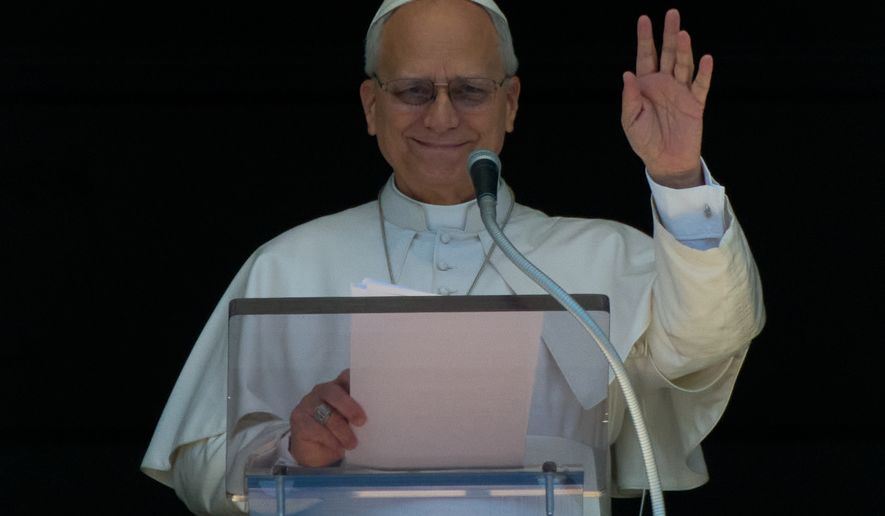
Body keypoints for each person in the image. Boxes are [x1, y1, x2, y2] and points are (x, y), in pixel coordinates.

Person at [141, 0, 765, 514]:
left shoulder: (595, 256)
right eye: (413, 90)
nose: (442, 116)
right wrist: (287, 448)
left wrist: (679, 176)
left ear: (511, 103)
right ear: (370, 105)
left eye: (469, 90)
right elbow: (197, 464)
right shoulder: (286, 263)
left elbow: (708, 339)